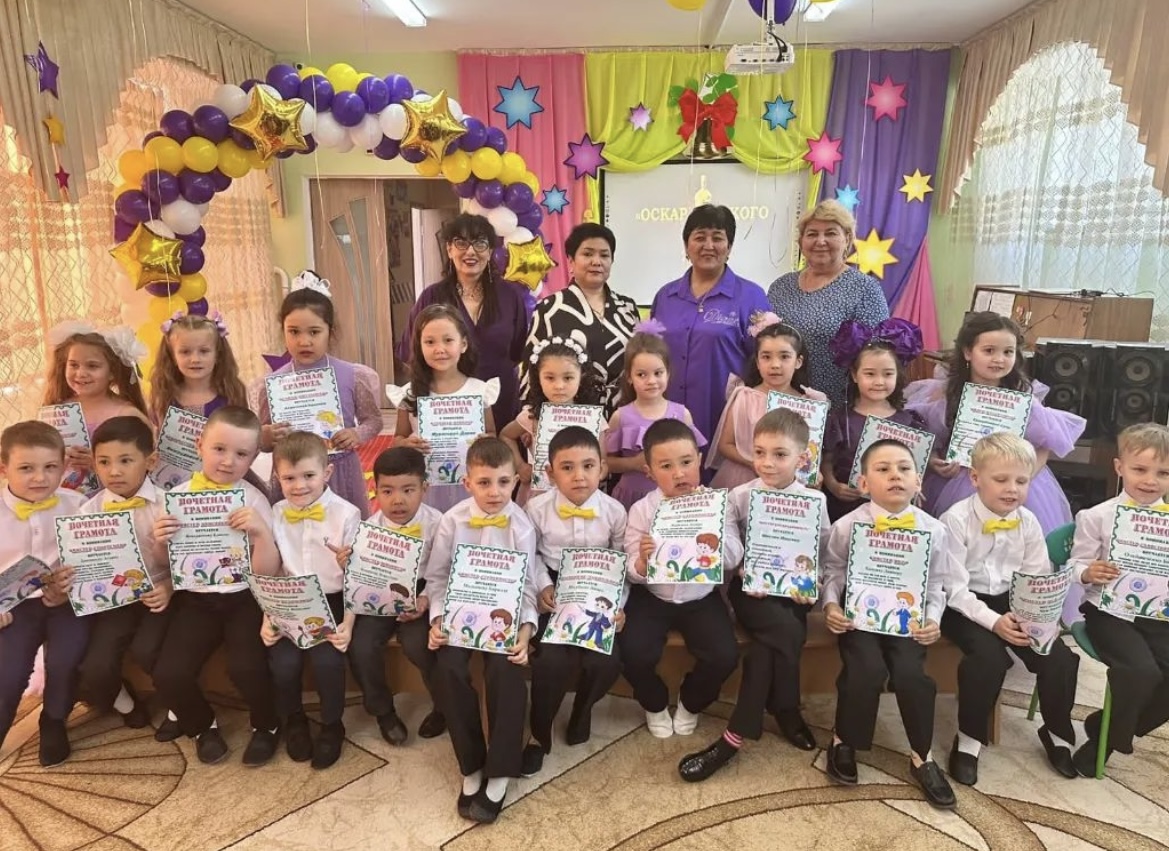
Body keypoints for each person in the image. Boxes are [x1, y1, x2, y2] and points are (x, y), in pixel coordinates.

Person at [679, 409, 829, 782]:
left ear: (802, 457)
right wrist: (743, 567)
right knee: (788, 632)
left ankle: (733, 739)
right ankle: (786, 709)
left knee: (769, 646)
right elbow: (727, 549)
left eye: (780, 454)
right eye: (760, 452)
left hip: (791, 596)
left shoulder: (814, 501)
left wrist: (811, 583)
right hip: (751, 592)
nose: (767, 462)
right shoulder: (739, 496)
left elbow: (822, 555)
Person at [939, 432, 1080, 784]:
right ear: (976, 478)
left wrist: (1039, 617)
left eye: (1021, 481)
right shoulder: (955, 519)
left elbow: (1037, 576)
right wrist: (994, 622)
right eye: (1001, 479)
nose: (1012, 489)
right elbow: (953, 588)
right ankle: (969, 740)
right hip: (963, 605)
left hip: (1015, 599)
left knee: (1059, 658)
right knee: (988, 660)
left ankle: (1057, 732)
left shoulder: (1028, 521)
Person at [822, 439, 956, 809]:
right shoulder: (847, 526)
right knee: (865, 669)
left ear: (918, 482)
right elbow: (833, 571)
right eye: (883, 469)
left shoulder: (934, 530)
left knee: (912, 675)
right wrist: (831, 606)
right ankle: (843, 741)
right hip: (859, 620)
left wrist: (933, 620)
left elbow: (936, 585)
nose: (895, 475)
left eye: (904, 468)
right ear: (864, 483)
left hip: (908, 623)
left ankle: (922, 756)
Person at [150, 406, 282, 766]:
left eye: (241, 454)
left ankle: (267, 725)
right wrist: (160, 540)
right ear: (200, 445)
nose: (228, 461)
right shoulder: (176, 498)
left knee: (247, 668)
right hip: (196, 600)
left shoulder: (253, 500)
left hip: (244, 598)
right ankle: (201, 726)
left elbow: (268, 572)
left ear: (253, 458)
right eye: (219, 449)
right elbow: (164, 563)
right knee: (169, 672)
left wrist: (260, 534)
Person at [425, 437, 539, 824]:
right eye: (485, 482)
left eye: (504, 482)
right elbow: (437, 577)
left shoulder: (521, 525)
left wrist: (525, 632)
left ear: (515, 481)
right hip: (459, 617)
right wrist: (438, 620)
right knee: (448, 667)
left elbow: (528, 586)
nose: (495, 492)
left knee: (506, 671)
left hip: (506, 618)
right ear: (467, 482)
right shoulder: (452, 520)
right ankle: (470, 763)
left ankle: (502, 768)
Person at [910, 312, 1086, 534]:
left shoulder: (1023, 400)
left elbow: (1044, 445)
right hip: (961, 479)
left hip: (1013, 481)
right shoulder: (946, 395)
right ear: (967, 352)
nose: (999, 359)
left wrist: (1025, 477)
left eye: (1008, 352)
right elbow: (929, 437)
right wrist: (934, 461)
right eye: (989, 351)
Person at [621, 418, 742, 739]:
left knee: (724, 655)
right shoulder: (642, 510)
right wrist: (643, 561)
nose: (679, 473)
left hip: (701, 597)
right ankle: (654, 702)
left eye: (686, 462)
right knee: (632, 652)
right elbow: (631, 568)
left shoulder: (718, 505)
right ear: (649, 471)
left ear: (699, 460)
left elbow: (734, 557)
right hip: (653, 596)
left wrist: (716, 540)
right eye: (666, 466)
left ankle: (691, 701)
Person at [521, 427, 627, 776]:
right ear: (550, 473)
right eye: (567, 468)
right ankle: (539, 735)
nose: (579, 476)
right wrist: (542, 587)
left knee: (607, 661)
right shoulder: (535, 508)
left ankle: (583, 711)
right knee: (550, 662)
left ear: (602, 469)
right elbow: (531, 555)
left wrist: (619, 605)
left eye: (588, 466)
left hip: (600, 588)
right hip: (553, 586)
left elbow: (621, 564)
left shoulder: (614, 511)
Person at [1067, 422, 1169, 776]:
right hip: (1108, 612)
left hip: (1158, 614)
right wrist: (1088, 572)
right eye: (1140, 469)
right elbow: (1074, 565)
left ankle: (1104, 728)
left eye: (1163, 473)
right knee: (1140, 671)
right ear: (1119, 467)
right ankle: (1106, 744)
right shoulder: (1097, 516)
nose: (1150, 481)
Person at [262, 432, 359, 769]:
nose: (299, 486)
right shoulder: (275, 512)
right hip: (289, 601)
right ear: (278, 477)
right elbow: (273, 569)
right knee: (283, 663)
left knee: (327, 662)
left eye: (308, 475)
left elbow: (356, 577)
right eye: (289, 478)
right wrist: (267, 617)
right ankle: (294, 720)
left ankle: (332, 725)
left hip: (333, 601)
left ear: (327, 473)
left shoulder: (347, 514)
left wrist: (348, 624)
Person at [340, 446, 447, 743]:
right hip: (379, 592)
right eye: (387, 491)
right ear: (376, 490)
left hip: (423, 592)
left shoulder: (439, 524)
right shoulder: (367, 529)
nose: (397, 500)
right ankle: (383, 712)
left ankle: (443, 706)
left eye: (408, 490)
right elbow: (359, 580)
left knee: (420, 644)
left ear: (424, 488)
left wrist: (424, 600)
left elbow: (443, 571)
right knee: (361, 646)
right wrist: (348, 565)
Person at [75, 417, 173, 734]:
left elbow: (187, 560)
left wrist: (169, 586)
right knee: (96, 666)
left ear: (151, 461)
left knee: (149, 650)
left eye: (125, 461)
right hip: (115, 601)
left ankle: (178, 704)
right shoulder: (87, 512)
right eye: (104, 462)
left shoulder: (167, 505)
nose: (114, 471)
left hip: (159, 596)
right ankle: (126, 702)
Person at [0, 421, 87, 766]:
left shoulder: (78, 505)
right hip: (14, 607)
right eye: (26, 468)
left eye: (50, 467)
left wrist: (71, 587)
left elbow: (94, 559)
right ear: (4, 468)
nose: (40, 478)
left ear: (64, 466)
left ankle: (53, 721)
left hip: (65, 603)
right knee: (9, 673)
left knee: (65, 660)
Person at [650, 204, 771, 447]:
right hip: (667, 415)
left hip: (725, 419)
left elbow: (764, 362)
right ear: (686, 246)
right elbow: (650, 355)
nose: (708, 245)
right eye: (699, 237)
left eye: (717, 238)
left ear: (729, 247)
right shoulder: (665, 296)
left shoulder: (751, 296)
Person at [398, 214, 532, 428]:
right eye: (461, 243)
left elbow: (519, 351)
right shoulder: (432, 297)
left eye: (480, 243)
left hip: (500, 399)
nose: (470, 251)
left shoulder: (510, 296)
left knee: (501, 448)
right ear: (449, 249)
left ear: (490, 251)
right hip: (447, 405)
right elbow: (412, 350)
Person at [766, 199, 890, 406]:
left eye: (831, 233)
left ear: (847, 239)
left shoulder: (865, 289)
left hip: (838, 407)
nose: (820, 241)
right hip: (781, 403)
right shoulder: (780, 286)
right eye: (812, 234)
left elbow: (879, 356)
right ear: (801, 241)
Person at [387, 304, 499, 512]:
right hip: (426, 485)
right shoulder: (410, 393)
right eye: (430, 342)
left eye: (448, 340)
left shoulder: (479, 391)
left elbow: (492, 433)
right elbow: (398, 438)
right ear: (419, 346)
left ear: (463, 344)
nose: (439, 349)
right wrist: (406, 444)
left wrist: (486, 440)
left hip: (471, 484)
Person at [521, 223, 641, 415]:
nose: (596, 261)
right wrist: (533, 416)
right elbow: (530, 372)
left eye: (604, 255)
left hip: (623, 413)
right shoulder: (549, 309)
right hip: (571, 414)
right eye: (587, 254)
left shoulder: (627, 308)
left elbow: (640, 363)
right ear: (571, 260)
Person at [821, 319, 926, 520]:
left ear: (897, 375)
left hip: (893, 511)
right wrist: (834, 486)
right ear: (854, 375)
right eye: (870, 374)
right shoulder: (840, 420)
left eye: (887, 374)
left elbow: (916, 466)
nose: (879, 382)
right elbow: (827, 461)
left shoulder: (909, 422)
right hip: (847, 508)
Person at [708, 316, 827, 490]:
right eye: (766, 357)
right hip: (745, 478)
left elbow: (810, 449)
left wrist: (813, 473)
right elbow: (725, 445)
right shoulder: (745, 397)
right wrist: (754, 464)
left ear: (798, 362)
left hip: (789, 485)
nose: (775, 364)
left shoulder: (808, 404)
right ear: (757, 362)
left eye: (784, 356)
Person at [42, 322, 150, 496]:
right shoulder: (57, 411)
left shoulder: (127, 414)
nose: (80, 373)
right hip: (64, 499)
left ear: (112, 372)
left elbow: (147, 465)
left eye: (92, 366)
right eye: (74, 365)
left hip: (112, 502)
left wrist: (100, 463)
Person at [605, 325, 705, 511]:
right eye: (642, 374)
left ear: (668, 373)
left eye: (658, 373)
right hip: (631, 497)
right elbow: (606, 463)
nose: (651, 381)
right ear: (629, 377)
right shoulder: (620, 416)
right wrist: (633, 463)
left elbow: (692, 459)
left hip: (673, 500)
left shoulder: (682, 414)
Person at [501, 335, 603, 506]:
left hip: (581, 495)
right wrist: (520, 466)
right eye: (550, 378)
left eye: (568, 378)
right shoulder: (532, 415)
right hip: (539, 496)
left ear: (581, 376)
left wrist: (597, 472)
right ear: (538, 378)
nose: (559, 386)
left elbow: (602, 460)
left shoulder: (593, 418)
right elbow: (506, 435)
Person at [150, 311, 246, 422]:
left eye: (204, 351)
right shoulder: (163, 397)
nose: (195, 359)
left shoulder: (233, 394)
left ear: (218, 355)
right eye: (185, 352)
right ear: (172, 356)